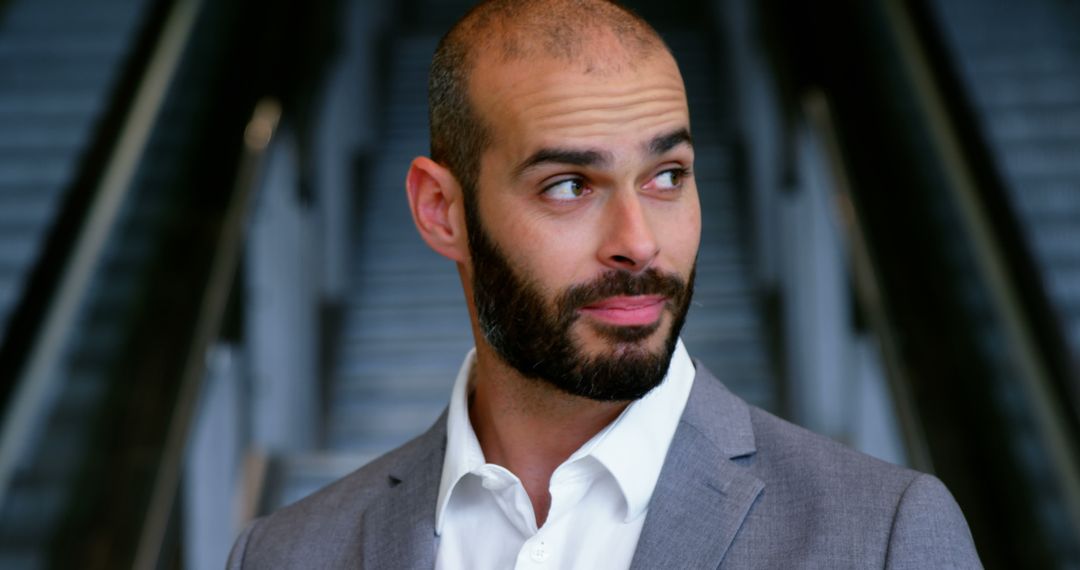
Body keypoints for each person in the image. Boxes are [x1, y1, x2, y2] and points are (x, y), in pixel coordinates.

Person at [227, 0, 982, 567]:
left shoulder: (885, 535)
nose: (638, 242)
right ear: (441, 211)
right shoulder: (283, 554)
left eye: (666, 176)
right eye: (568, 185)